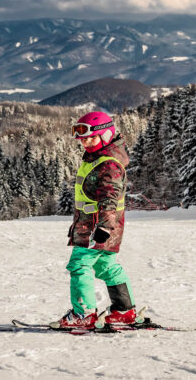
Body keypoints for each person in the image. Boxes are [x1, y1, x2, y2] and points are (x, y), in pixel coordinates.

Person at [52, 111, 137, 330]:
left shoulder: (108, 164)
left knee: (80, 265)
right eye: (81, 136)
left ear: (106, 135)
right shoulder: (99, 158)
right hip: (100, 225)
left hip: (98, 226)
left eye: (90, 136)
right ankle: (124, 311)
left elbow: (110, 198)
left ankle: (84, 314)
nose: (84, 141)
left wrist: (104, 227)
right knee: (105, 265)